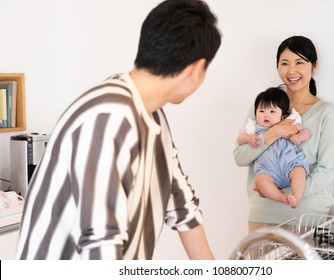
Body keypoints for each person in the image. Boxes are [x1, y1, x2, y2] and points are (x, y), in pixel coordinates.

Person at [16, 0, 221, 260]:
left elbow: (183, 207)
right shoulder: (108, 116)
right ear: (194, 70)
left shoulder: (152, 114)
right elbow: (100, 243)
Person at [233, 36, 334, 235]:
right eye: (285, 63)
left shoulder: (327, 112)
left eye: (299, 62)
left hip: (309, 219)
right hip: (263, 218)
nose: (291, 71)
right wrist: (275, 132)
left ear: (314, 66)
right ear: (277, 67)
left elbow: (327, 170)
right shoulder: (264, 106)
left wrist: (289, 194)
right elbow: (240, 157)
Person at [237, 87, 310, 209]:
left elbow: (305, 132)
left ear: (283, 115)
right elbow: (240, 138)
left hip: (291, 164)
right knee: (260, 181)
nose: (266, 115)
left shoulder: (290, 122)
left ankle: (296, 196)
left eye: (272, 112)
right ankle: (281, 197)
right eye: (261, 111)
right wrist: (248, 138)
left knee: (299, 173)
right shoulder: (253, 128)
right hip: (268, 171)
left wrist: (300, 137)